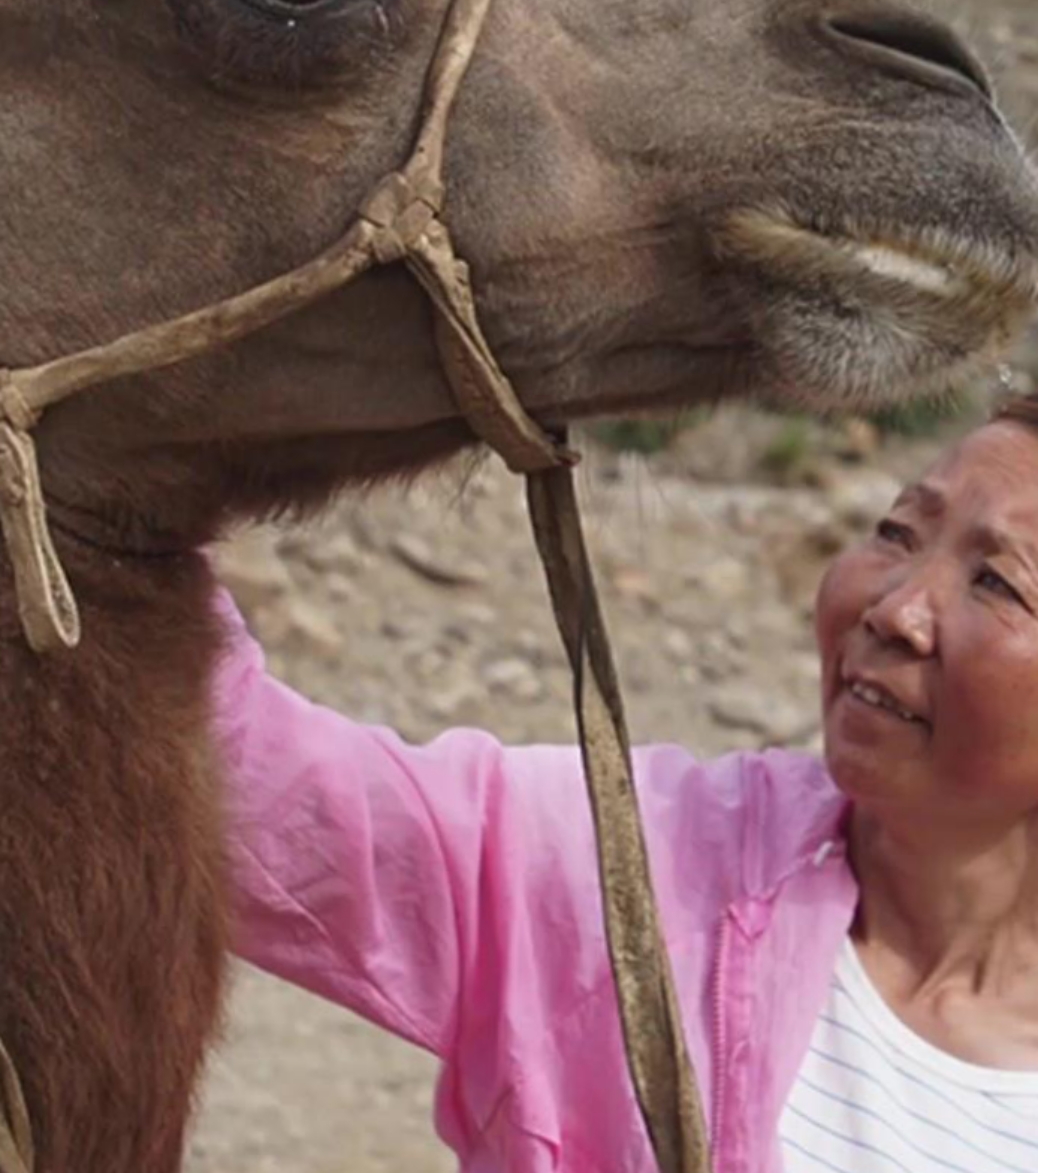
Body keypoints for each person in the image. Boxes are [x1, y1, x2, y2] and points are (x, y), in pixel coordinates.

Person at [213, 395, 1038, 1172]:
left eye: (997, 582)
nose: (896, 608)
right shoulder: (646, 869)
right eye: (898, 531)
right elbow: (255, 785)